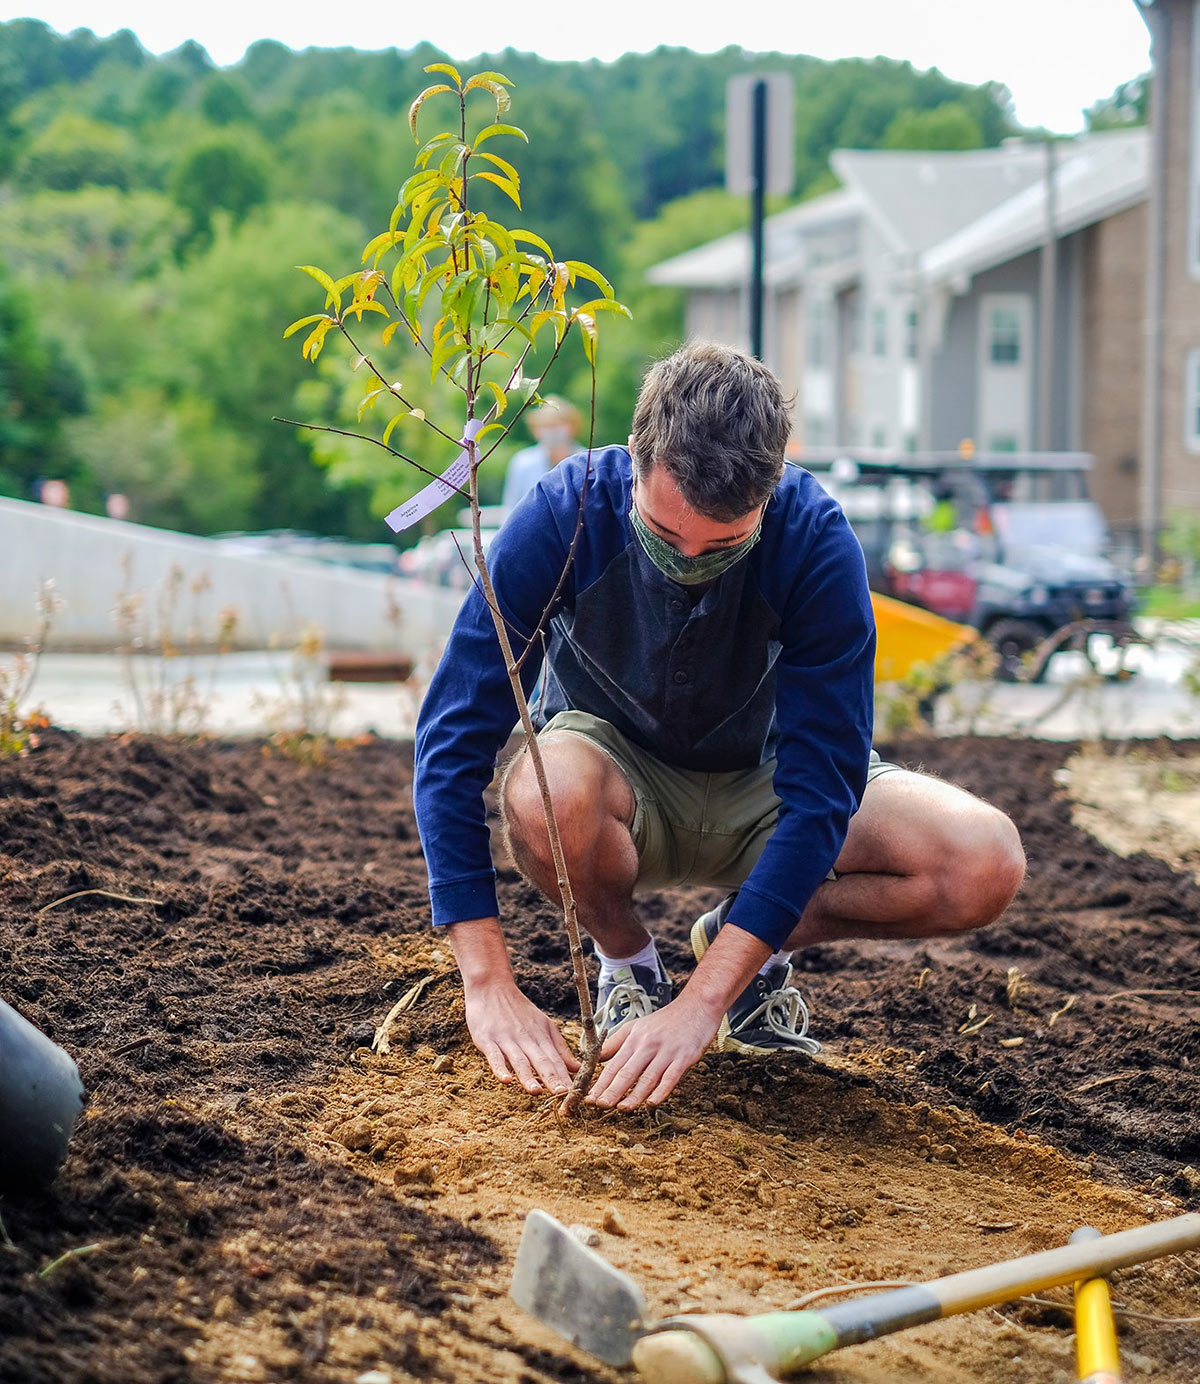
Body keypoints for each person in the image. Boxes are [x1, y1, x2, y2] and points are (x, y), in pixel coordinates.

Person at [413, 343, 1025, 1112]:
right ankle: (629, 967)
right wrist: (488, 983)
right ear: (634, 464)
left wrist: (704, 1003)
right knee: (542, 790)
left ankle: (739, 946)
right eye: (666, 538)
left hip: (768, 787)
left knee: (984, 860)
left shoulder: (814, 542)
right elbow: (452, 738)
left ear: (768, 495)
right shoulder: (565, 513)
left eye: (724, 544)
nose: (690, 560)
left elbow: (821, 794)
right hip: (614, 784)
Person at [500, 396, 582, 510]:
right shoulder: (522, 463)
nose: (552, 431)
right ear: (536, 430)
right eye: (546, 425)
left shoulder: (586, 461)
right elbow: (511, 509)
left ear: (571, 427)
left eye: (556, 424)